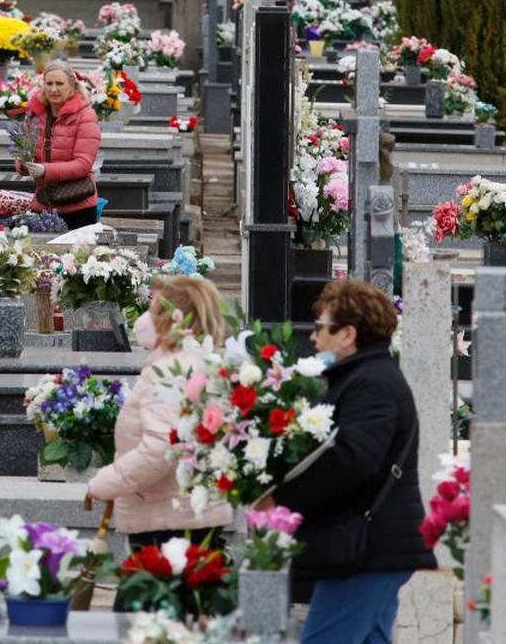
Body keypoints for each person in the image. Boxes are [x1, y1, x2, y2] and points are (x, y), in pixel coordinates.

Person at [272, 280, 436, 644]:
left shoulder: (372, 382)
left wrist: (282, 499)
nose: (314, 339)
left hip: (367, 547)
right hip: (372, 545)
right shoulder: (364, 377)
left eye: (321, 328)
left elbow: (353, 459)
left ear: (347, 334)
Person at [86, 276, 233, 606]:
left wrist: (105, 483)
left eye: (152, 309)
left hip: (166, 520)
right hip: (188, 513)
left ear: (170, 319)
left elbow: (161, 447)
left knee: (146, 614)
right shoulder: (203, 363)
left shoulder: (170, 371)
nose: (144, 319)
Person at [16, 61, 101, 230]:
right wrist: (23, 164)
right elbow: (23, 150)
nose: (53, 89)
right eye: (49, 83)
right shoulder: (34, 115)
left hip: (77, 205)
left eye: (59, 84)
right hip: (43, 203)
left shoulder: (85, 116)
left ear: (72, 87)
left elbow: (83, 164)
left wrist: (45, 170)